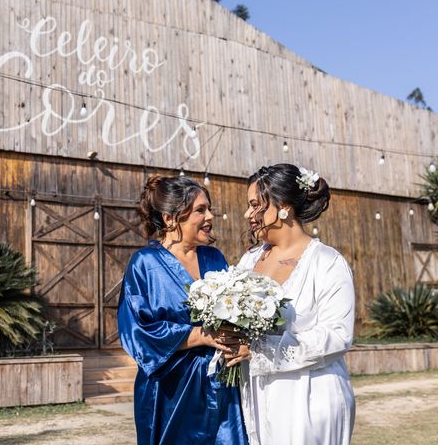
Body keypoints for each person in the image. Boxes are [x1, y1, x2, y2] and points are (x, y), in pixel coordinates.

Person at [117, 175, 248, 445]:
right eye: (200, 210)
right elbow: (137, 333)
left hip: (219, 383)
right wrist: (201, 335)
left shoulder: (215, 258)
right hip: (170, 391)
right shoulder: (145, 264)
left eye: (209, 208)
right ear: (170, 218)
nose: (210, 216)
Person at [238, 164, 355, 445]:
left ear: (284, 206)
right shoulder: (248, 261)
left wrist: (258, 351)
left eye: (255, 205)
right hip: (256, 396)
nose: (247, 214)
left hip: (308, 397)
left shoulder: (326, 262)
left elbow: (338, 335)